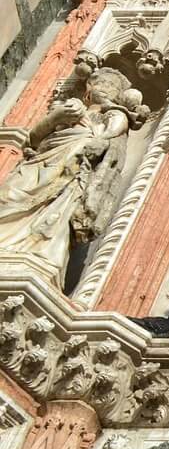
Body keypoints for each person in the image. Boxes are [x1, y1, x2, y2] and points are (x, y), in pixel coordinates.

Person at [0, 68, 144, 286]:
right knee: (9, 195)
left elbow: (108, 139)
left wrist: (93, 140)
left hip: (74, 170)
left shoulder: (114, 115)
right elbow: (33, 139)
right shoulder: (69, 107)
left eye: (111, 87)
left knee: (56, 214)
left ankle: (39, 254)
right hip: (41, 162)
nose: (104, 90)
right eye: (99, 85)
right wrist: (55, 118)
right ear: (88, 91)